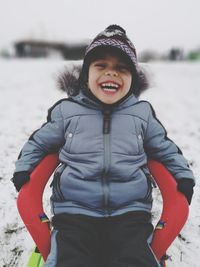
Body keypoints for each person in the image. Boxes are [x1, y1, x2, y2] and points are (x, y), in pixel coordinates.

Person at [12, 25, 195, 267]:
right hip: (75, 212)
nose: (112, 74)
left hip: (130, 213)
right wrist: (24, 169)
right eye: (101, 66)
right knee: (72, 259)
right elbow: (39, 143)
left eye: (122, 68)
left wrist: (183, 175)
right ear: (86, 75)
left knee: (133, 258)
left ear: (133, 79)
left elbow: (165, 148)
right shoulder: (67, 112)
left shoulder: (141, 114)